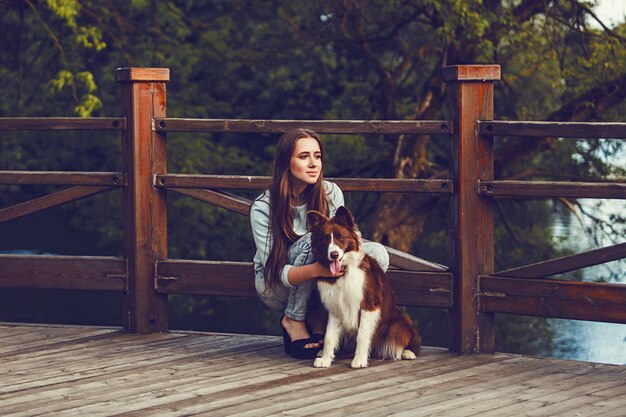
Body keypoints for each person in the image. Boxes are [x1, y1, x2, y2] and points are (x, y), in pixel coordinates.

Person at [250, 128, 389, 359]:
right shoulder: (263, 208)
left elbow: (350, 240)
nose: (314, 163)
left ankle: (325, 317)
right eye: (304, 157)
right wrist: (317, 269)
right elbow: (276, 272)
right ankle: (294, 319)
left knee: (377, 254)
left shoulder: (330, 192)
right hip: (276, 286)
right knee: (310, 243)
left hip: (322, 281)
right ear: (286, 163)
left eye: (317, 156)